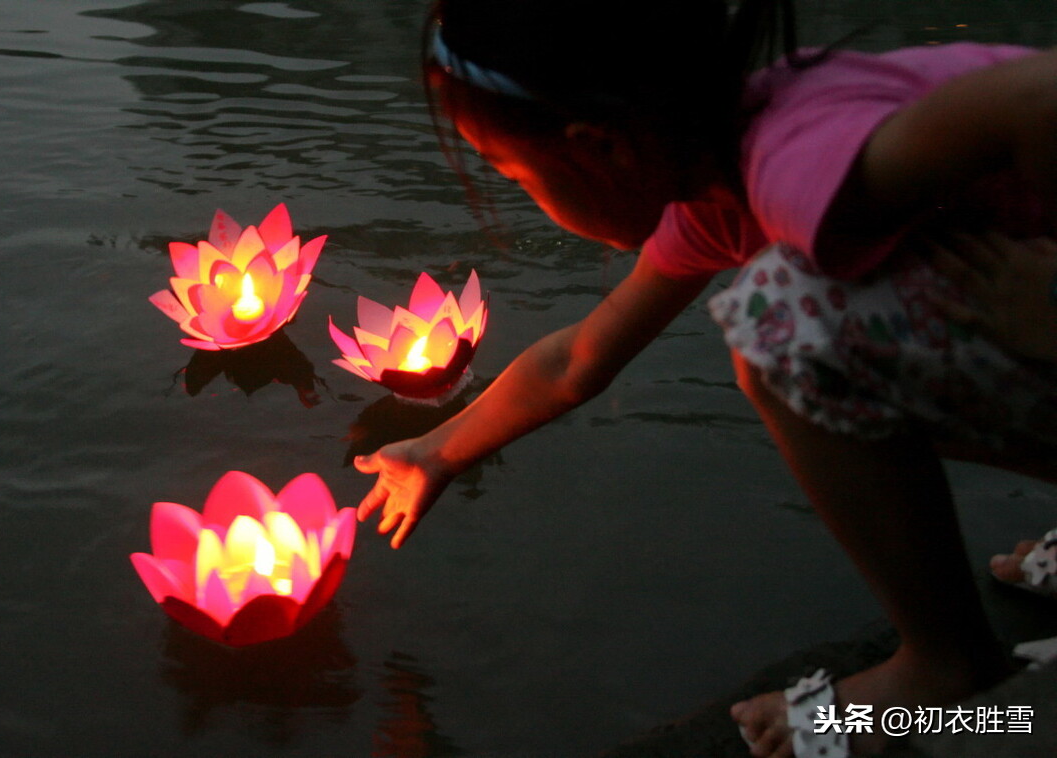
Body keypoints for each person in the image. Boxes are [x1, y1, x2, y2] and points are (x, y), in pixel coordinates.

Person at [353, 0, 1057, 755]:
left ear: (601, 147)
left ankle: (947, 672)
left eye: (512, 173)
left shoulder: (802, 164)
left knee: (784, 325)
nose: (521, 197)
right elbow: (579, 359)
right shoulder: (728, 185)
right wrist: (437, 450)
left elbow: (1034, 95)